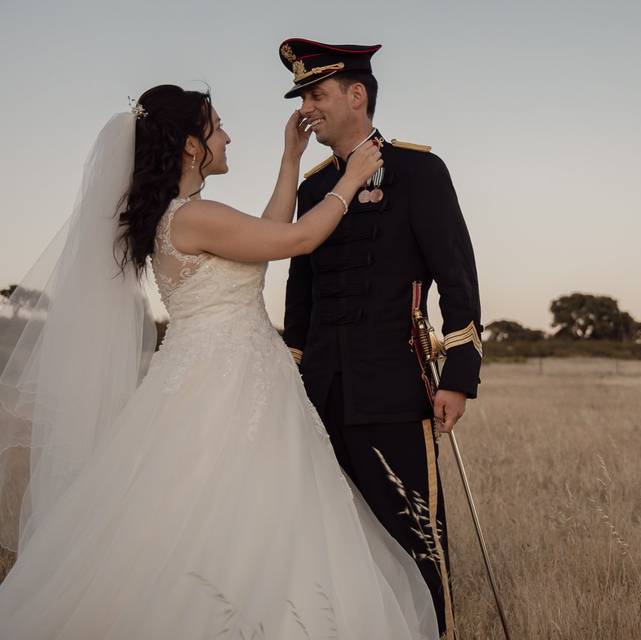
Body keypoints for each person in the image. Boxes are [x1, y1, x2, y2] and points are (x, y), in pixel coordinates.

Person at [0, 84, 438, 639]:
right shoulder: (192, 215)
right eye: (218, 127)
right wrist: (350, 182)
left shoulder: (182, 217)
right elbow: (299, 239)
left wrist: (289, 161)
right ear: (190, 145)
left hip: (225, 375)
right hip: (225, 385)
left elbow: (270, 235)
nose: (228, 136)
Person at [277, 39, 484, 639]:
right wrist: (295, 380)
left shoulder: (420, 171)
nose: (307, 108)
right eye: (304, 98)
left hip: (394, 387)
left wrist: (459, 378)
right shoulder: (314, 189)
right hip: (321, 393)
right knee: (331, 541)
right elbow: (301, 298)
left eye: (317, 94)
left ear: (357, 94)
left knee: (417, 540)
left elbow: (457, 277)